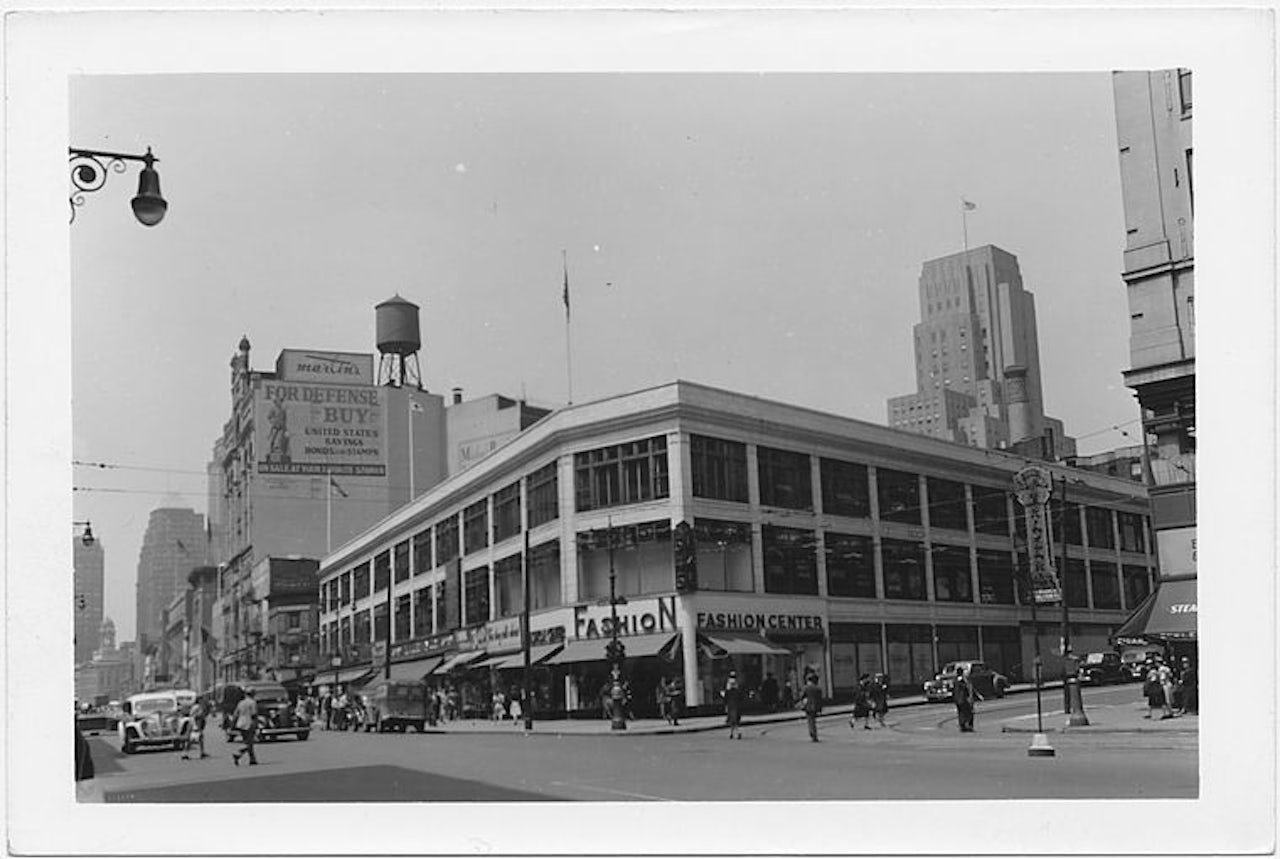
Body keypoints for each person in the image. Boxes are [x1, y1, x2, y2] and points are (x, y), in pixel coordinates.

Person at [231, 688, 259, 766]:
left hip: (241, 723)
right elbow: (254, 714)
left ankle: (252, 759)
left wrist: (233, 724)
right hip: (249, 723)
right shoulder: (252, 702)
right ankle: (238, 754)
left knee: (248, 741)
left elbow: (235, 714)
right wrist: (256, 724)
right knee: (249, 742)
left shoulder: (241, 703)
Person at [953, 668, 980, 733]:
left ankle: (963, 726)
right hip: (963, 699)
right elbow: (966, 688)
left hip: (958, 699)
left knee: (961, 713)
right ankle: (966, 726)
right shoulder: (961, 679)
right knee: (967, 712)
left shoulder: (956, 679)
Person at [801, 674, 823, 742]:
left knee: (810, 720)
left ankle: (812, 733)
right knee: (813, 721)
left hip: (808, 706)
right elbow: (820, 699)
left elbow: (802, 696)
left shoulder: (806, 688)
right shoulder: (818, 688)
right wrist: (820, 708)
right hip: (815, 706)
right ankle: (814, 734)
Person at [722, 671, 744, 739]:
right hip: (736, 705)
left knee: (733, 720)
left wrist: (725, 705)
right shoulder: (737, 688)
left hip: (731, 705)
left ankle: (735, 733)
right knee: (735, 720)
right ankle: (733, 733)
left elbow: (725, 698)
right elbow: (741, 697)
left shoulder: (728, 689)